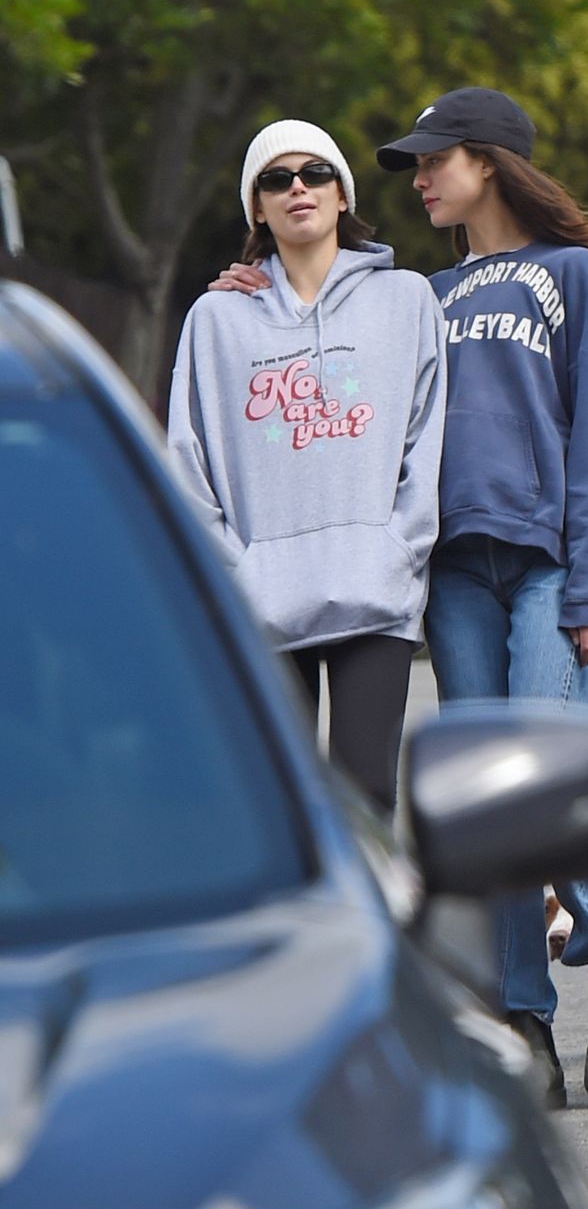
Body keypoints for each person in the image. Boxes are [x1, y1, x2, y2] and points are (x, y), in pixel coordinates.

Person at [211, 89, 588, 1106]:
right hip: (449, 570)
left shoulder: (570, 274)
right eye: (412, 163)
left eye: (434, 159)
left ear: (491, 161)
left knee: (545, 750)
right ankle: (524, 1016)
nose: (418, 177)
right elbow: (316, 311)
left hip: (546, 560)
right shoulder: (416, 293)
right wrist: (249, 283)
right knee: (490, 793)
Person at [169, 119, 445, 817]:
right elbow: (187, 456)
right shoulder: (215, 318)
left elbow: (427, 436)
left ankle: (369, 929)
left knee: (366, 799)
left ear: (343, 195)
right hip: (260, 600)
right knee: (274, 808)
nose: (298, 188)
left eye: (315, 173)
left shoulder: (407, 299)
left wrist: (398, 550)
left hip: (373, 591)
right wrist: (236, 570)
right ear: (256, 207)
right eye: (275, 179)